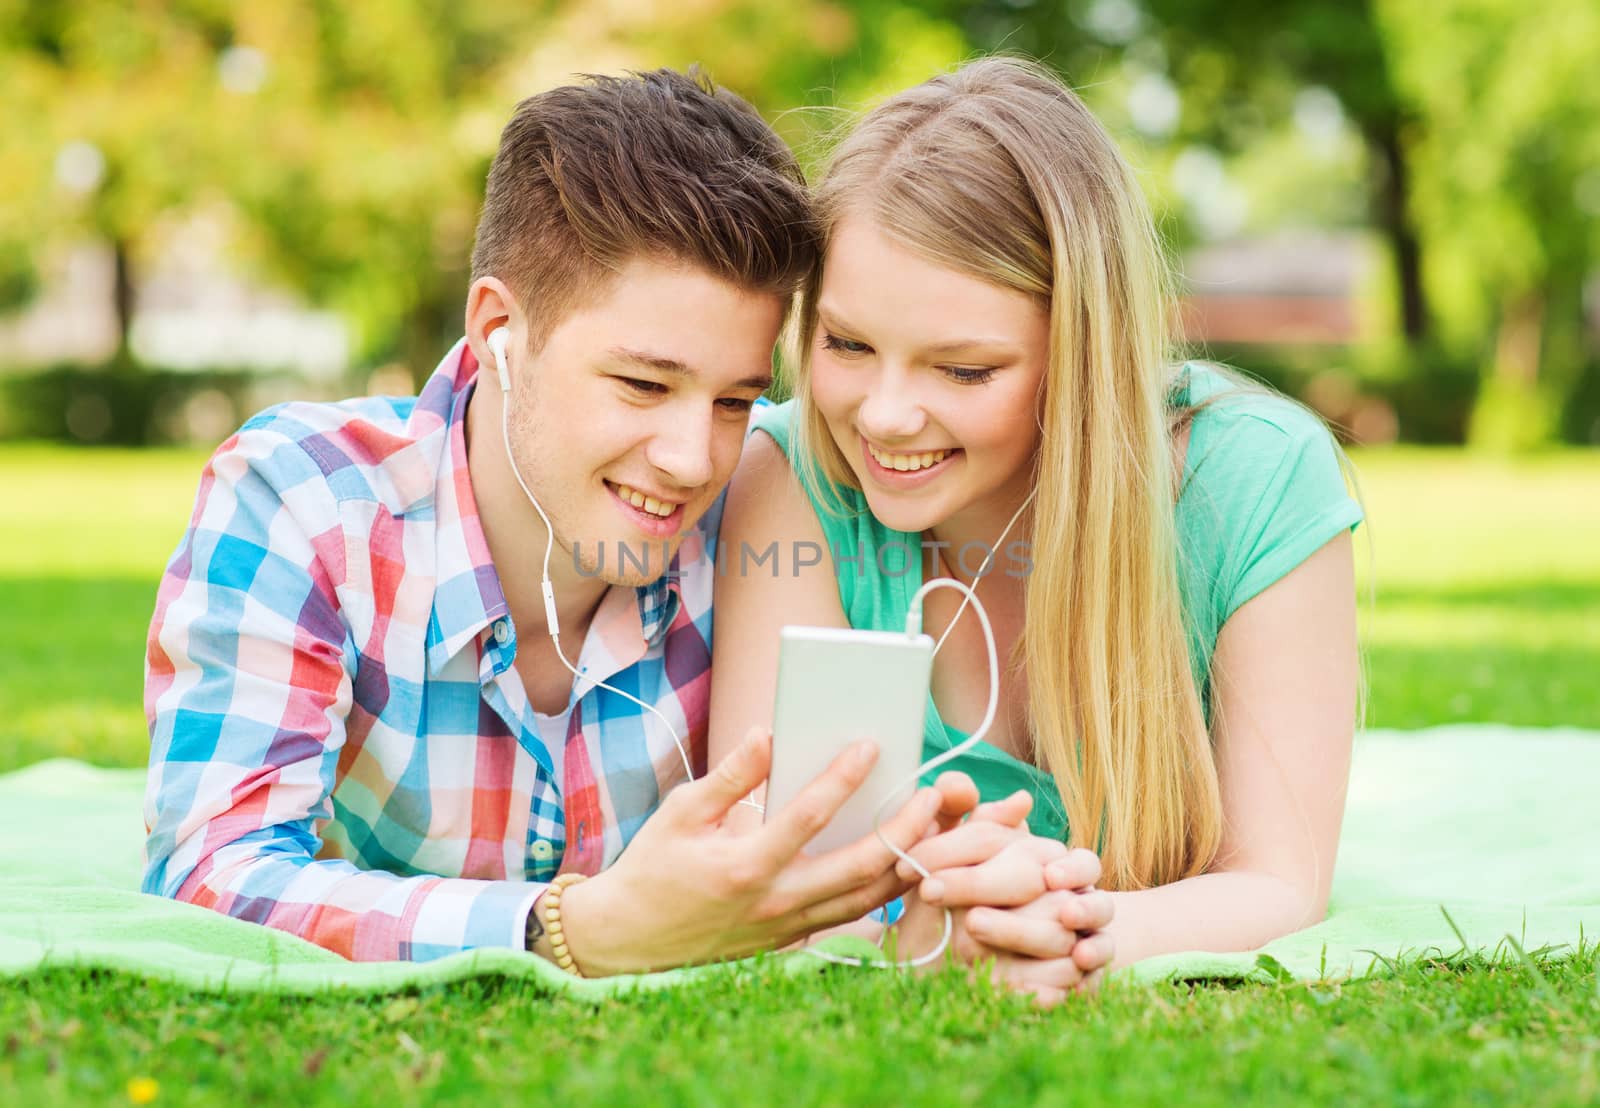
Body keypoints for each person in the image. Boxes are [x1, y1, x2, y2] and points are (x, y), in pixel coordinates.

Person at [142, 68, 976, 972]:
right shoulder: (302, 502)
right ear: (500, 328)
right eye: (644, 385)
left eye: (736, 400)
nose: (693, 459)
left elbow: (823, 883)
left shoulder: (769, 508)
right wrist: (571, 926)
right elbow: (212, 876)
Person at [709, 57, 1364, 1005]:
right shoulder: (791, 476)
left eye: (963, 370)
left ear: (1082, 352)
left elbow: (1280, 878)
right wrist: (935, 931)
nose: (886, 416)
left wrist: (1075, 930)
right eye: (847, 345)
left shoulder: (1257, 478)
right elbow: (778, 865)